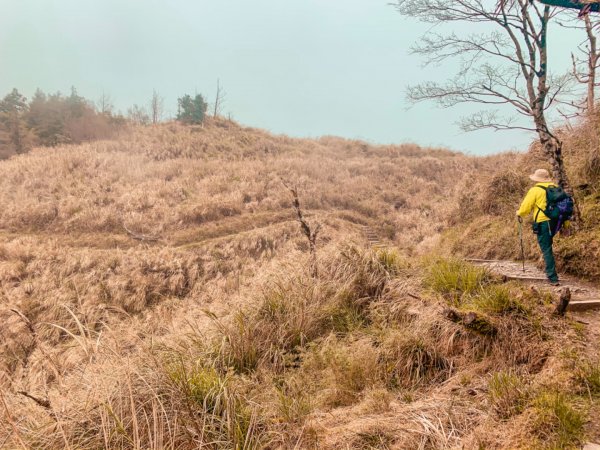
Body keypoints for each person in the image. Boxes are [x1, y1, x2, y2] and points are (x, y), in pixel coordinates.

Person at [516, 168, 560, 286]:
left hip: (543, 222)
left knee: (546, 248)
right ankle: (550, 271)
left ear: (537, 179)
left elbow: (526, 207)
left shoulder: (535, 190)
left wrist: (519, 213)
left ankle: (553, 278)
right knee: (548, 245)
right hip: (556, 222)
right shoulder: (555, 188)